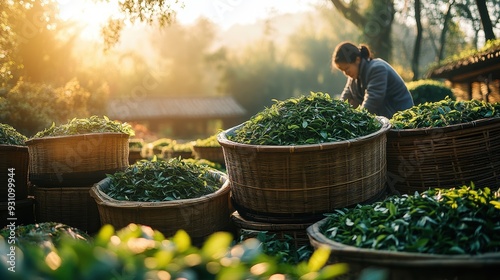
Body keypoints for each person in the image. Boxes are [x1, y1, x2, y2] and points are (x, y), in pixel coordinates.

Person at [332, 41, 414, 119]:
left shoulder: (377, 68)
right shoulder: (353, 78)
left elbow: (372, 100)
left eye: (347, 69)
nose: (346, 73)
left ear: (357, 60)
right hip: (386, 119)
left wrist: (359, 121)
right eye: (342, 71)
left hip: (401, 117)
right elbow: (345, 99)